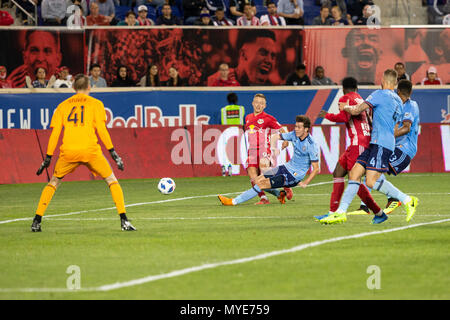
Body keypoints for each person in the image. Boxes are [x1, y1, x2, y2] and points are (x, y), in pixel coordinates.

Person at [31, 74, 136, 232]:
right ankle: (124, 221)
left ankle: (36, 220)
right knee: (111, 180)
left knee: (53, 182)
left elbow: (55, 134)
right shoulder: (96, 104)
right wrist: (113, 152)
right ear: (89, 87)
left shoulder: (62, 106)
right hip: (90, 151)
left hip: (69, 152)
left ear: (73, 88)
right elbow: (101, 130)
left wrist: (48, 157)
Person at [318, 69, 418, 225]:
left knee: (370, 181)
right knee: (355, 174)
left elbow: (357, 110)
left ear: (383, 81)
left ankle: (407, 199)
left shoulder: (379, 94)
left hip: (381, 144)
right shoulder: (399, 101)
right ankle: (340, 212)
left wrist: (345, 107)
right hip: (379, 142)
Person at [314, 77, 381, 220]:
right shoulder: (360, 99)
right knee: (338, 172)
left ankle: (377, 211)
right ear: (356, 88)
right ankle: (333, 212)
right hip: (360, 142)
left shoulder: (345, 98)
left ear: (343, 89)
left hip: (359, 144)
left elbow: (344, 117)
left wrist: (327, 115)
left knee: (354, 178)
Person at [218, 115, 318, 206]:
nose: (296, 129)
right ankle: (279, 194)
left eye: (299, 127)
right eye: (295, 126)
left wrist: (306, 182)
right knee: (257, 180)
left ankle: (233, 202)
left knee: (261, 184)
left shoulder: (311, 145)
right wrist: (274, 148)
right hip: (285, 168)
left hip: (293, 176)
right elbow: (274, 136)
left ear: (306, 129)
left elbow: (316, 168)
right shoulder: (294, 134)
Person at [241, 93, 292, 205]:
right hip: (252, 151)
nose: (258, 105)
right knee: (253, 176)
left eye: (261, 103)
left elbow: (281, 129)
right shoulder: (248, 118)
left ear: (265, 106)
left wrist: (286, 140)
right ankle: (265, 198)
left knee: (265, 173)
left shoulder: (268, 118)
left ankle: (284, 182)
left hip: (264, 150)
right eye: (256, 102)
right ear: (252, 103)